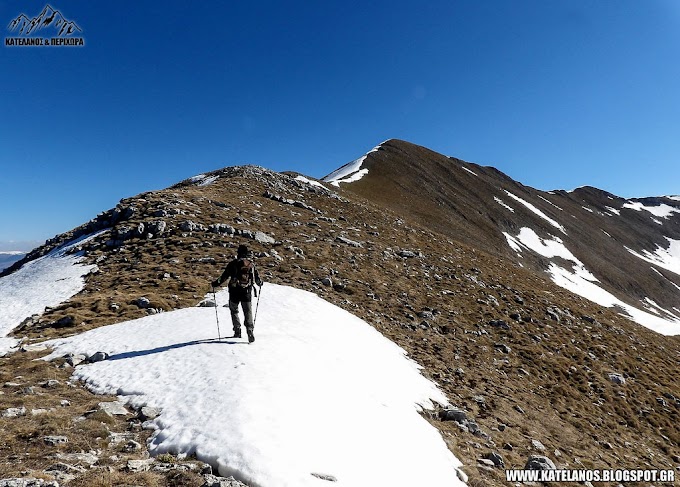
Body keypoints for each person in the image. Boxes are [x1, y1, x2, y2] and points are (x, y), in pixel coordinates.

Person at [211, 244, 263, 343]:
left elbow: (224, 277)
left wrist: (215, 284)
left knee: (234, 310)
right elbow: (257, 280)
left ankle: (237, 330)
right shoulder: (251, 265)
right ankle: (250, 330)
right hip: (246, 292)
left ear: (238, 253)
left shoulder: (233, 264)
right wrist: (260, 283)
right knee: (248, 312)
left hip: (234, 292)